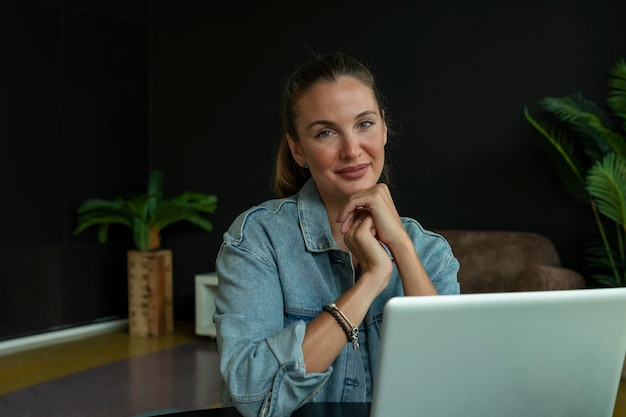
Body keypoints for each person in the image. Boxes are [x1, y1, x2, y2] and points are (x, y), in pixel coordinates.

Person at [213, 52, 460, 417]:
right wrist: (372, 280)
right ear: (298, 149)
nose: (351, 150)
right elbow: (252, 393)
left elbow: (452, 383)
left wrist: (403, 252)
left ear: (384, 129)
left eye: (364, 124)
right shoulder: (258, 239)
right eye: (326, 132)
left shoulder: (429, 251)